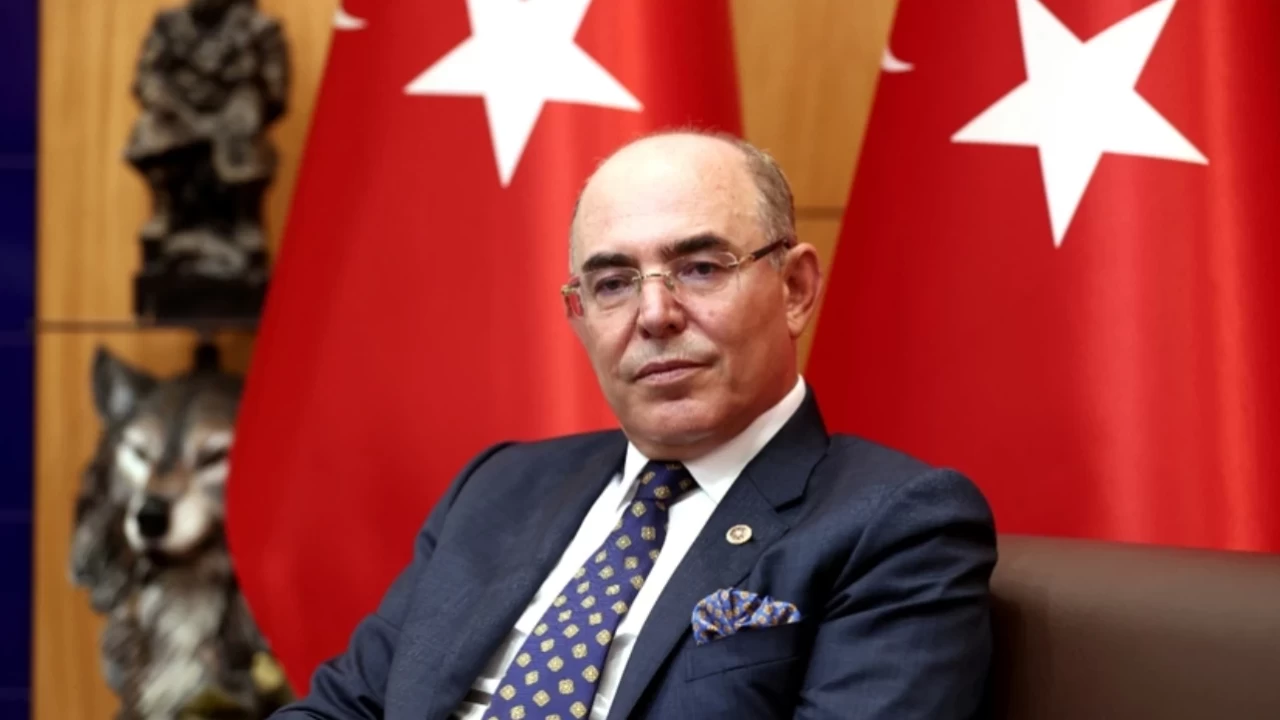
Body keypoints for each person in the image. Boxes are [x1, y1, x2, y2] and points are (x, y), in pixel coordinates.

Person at [272, 130, 998, 719]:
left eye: (701, 267)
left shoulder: (895, 524)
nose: (654, 315)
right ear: (580, 316)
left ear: (795, 290)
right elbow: (344, 707)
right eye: (614, 283)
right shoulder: (498, 488)